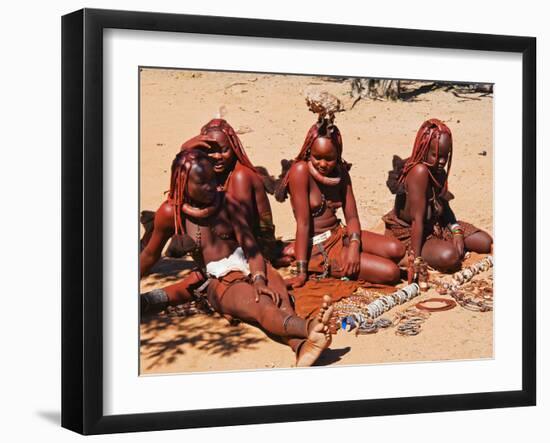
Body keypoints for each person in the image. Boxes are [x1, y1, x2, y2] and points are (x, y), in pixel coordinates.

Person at [140, 149, 333, 367]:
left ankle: (302, 347)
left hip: (254, 264)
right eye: (202, 182)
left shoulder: (228, 202)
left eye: (212, 179)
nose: (211, 186)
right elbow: (149, 254)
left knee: (282, 302)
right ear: (183, 184)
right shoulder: (170, 213)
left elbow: (250, 247)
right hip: (219, 280)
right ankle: (310, 328)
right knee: (263, 307)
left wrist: (260, 277)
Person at [275, 117, 405, 289]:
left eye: (329, 158)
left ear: (338, 155)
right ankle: (318, 263)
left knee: (397, 249)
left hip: (339, 234)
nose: (322, 164)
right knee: (391, 272)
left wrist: (353, 246)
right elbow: (303, 224)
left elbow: (352, 217)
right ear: (308, 152)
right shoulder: (300, 172)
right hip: (318, 247)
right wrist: (301, 273)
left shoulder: (341, 173)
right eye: (317, 157)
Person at [383, 118, 493, 272]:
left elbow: (444, 207)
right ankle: (415, 254)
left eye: (445, 156)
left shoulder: (438, 171)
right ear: (424, 150)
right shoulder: (419, 172)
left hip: (436, 225)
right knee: (450, 256)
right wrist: (415, 260)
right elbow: (417, 220)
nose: (441, 161)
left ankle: (442, 243)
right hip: (410, 234)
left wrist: (456, 230)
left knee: (485, 242)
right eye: (435, 155)